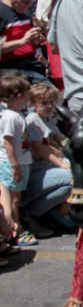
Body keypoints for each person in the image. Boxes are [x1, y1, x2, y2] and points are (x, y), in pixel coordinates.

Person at [23, 82, 73, 236]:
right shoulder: (32, 120)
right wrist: (62, 164)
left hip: (48, 168)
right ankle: (30, 214)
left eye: (52, 102)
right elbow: (40, 149)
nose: (49, 106)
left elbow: (61, 139)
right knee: (71, 177)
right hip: (36, 172)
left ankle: (52, 213)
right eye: (44, 103)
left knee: (70, 184)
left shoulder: (48, 119)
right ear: (33, 103)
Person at [0, 75, 33, 249]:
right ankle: (14, 229)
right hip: (11, 164)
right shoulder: (10, 117)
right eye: (26, 94)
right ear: (17, 95)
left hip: (20, 162)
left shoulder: (16, 115)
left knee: (16, 198)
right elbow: (8, 143)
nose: (28, 98)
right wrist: (15, 165)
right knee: (13, 199)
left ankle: (13, 228)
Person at [0, 0, 47, 82]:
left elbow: (29, 40)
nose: (30, 5)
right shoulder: (2, 13)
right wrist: (22, 41)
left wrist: (35, 40)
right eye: (26, 1)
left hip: (31, 64)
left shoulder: (25, 11)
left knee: (51, 95)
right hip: (9, 70)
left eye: (32, 1)